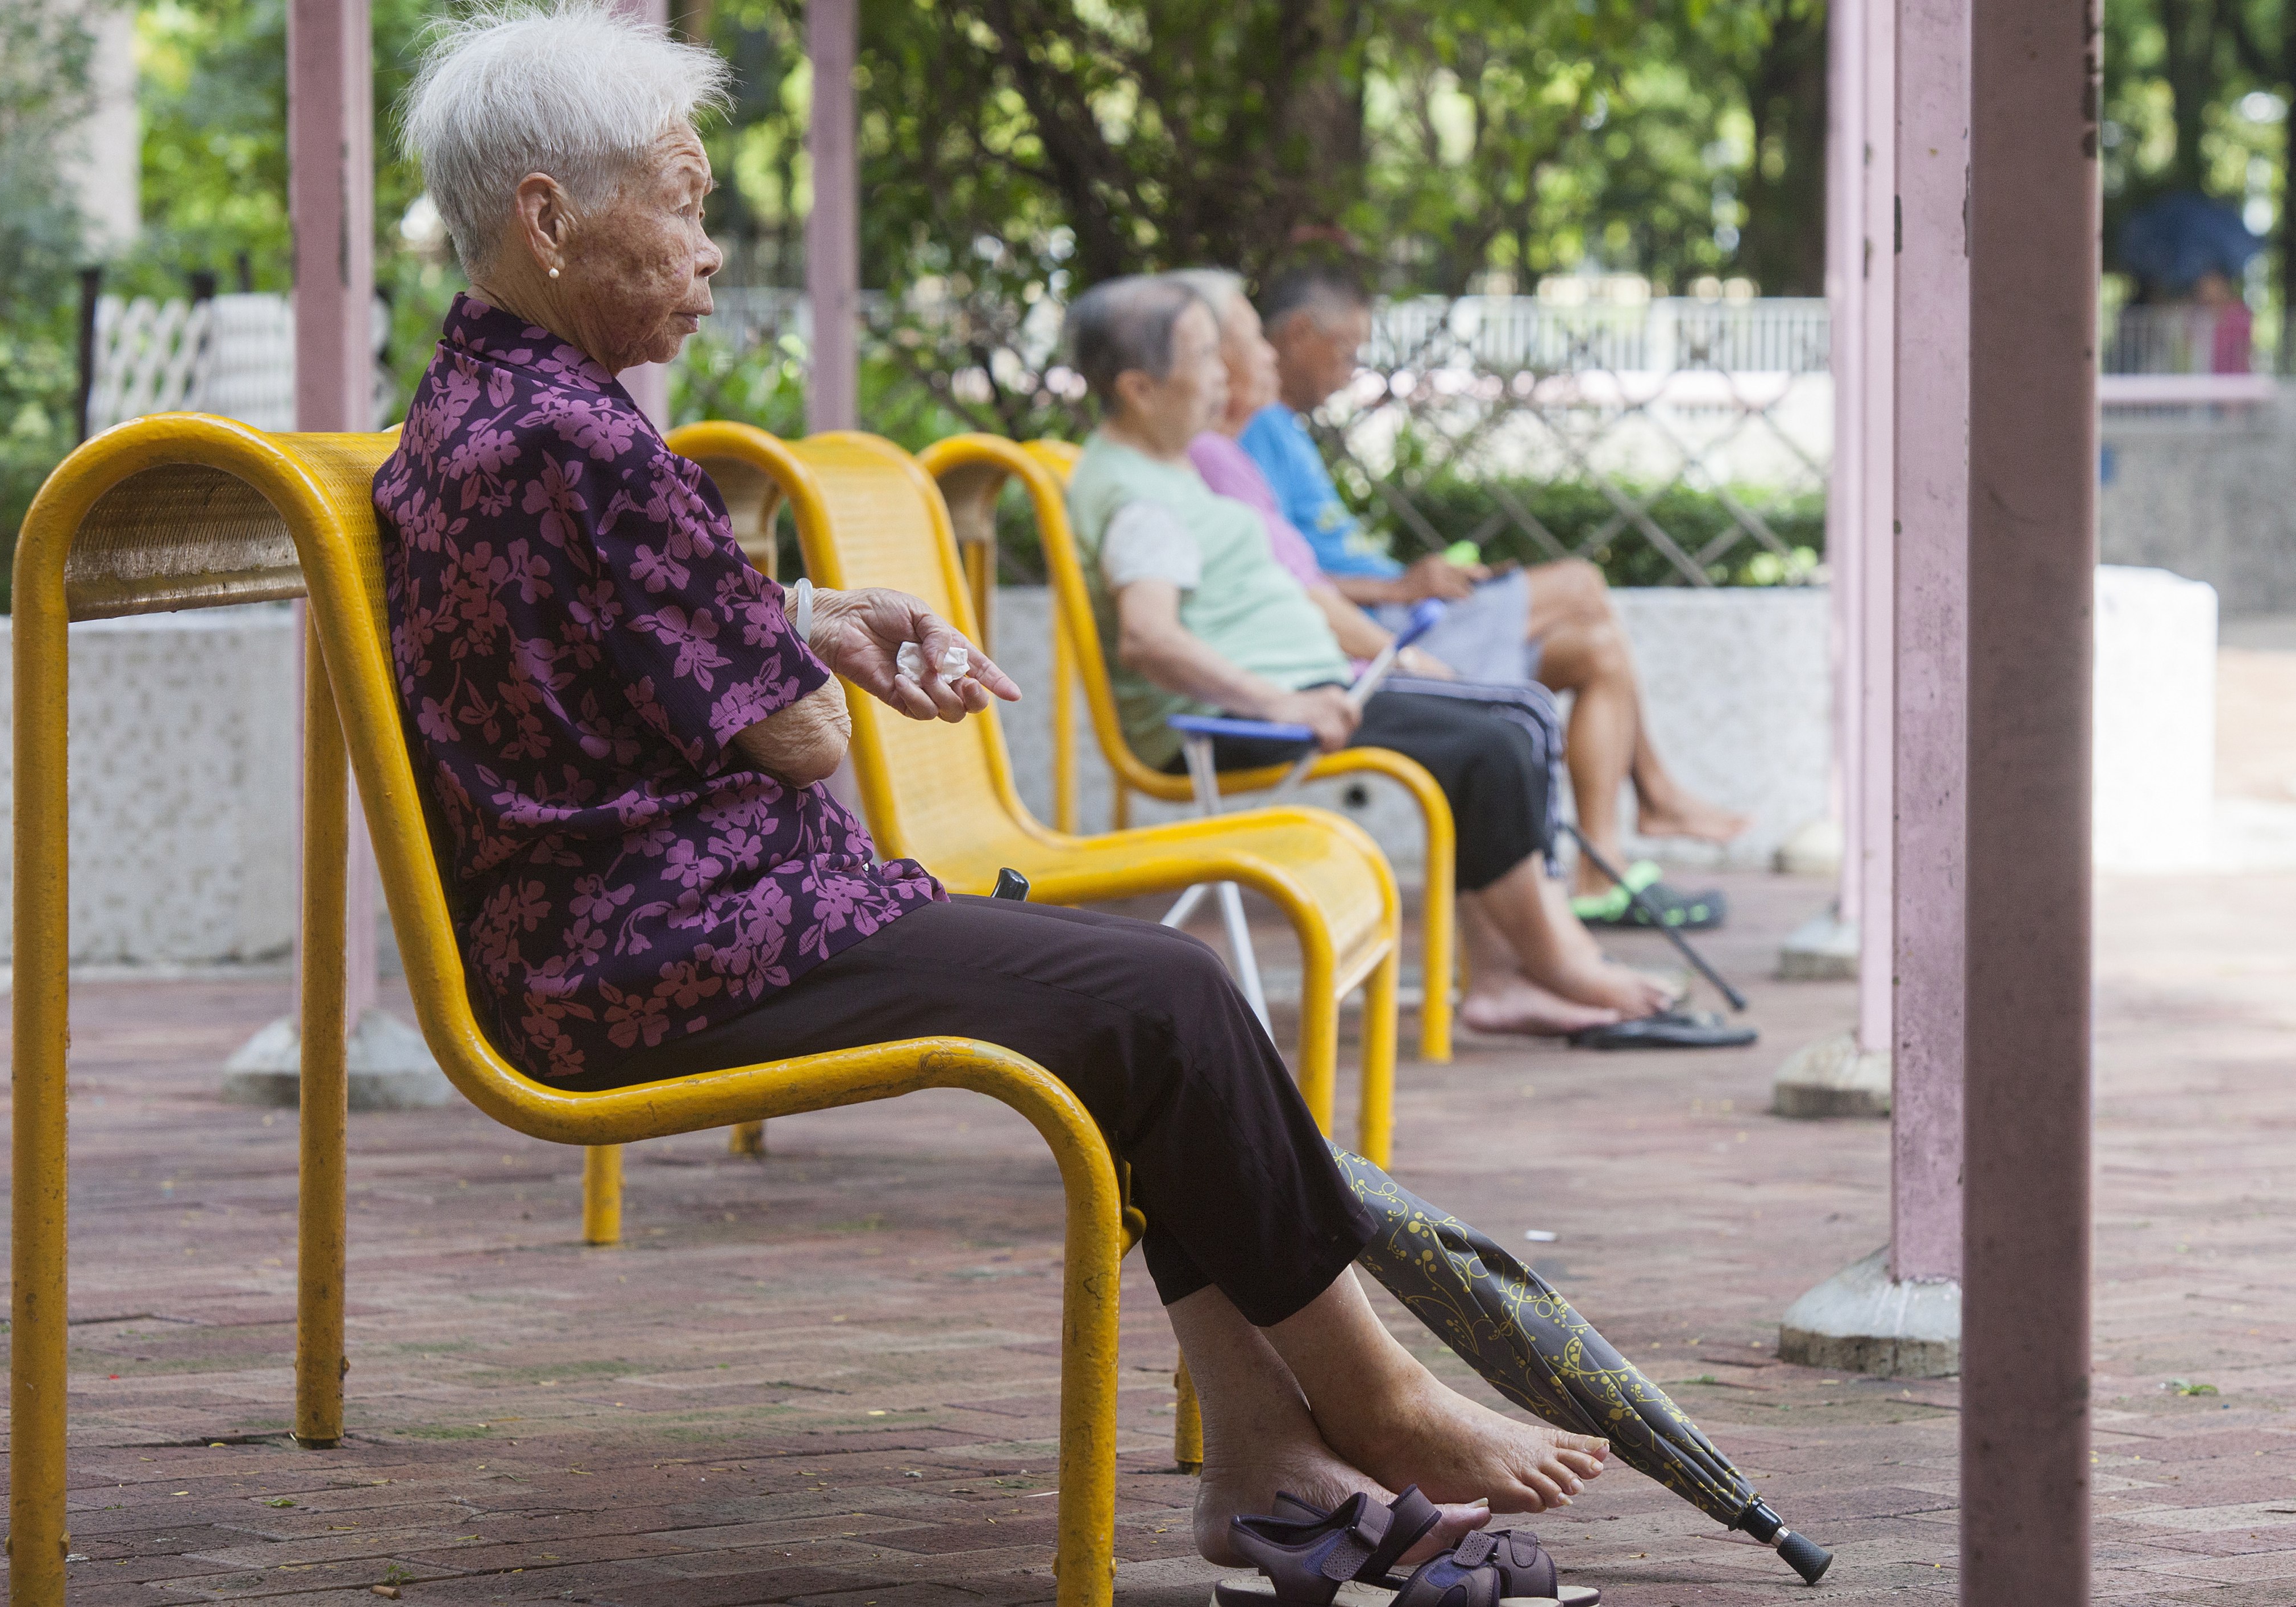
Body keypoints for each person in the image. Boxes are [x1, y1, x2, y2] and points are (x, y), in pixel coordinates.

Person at [377, 1, 1609, 1575]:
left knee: (1135, 1010)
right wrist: (792, 652)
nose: (704, 244)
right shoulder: (576, 443)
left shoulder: (487, 411)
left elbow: (636, 630)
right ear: (549, 220)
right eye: (681, 198)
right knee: (1164, 995)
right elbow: (802, 743)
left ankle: (1262, 1461)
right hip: (659, 952)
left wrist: (798, 611)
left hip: (643, 928)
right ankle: (1381, 1400)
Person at [1060, 273, 1673, 1037]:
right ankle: (1559, 962)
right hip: (1238, 723)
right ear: (1140, 388)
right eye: (1203, 354)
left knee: (1503, 724)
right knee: (1498, 734)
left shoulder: (1163, 464)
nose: (1223, 372)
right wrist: (1277, 701)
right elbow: (1147, 638)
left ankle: (1513, 976)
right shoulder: (1136, 496)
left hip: (1286, 695)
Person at [1243, 265, 1749, 925]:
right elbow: (1276, 579)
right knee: (1580, 584)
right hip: (1383, 632)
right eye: (1346, 349)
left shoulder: (1279, 428)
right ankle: (1654, 795)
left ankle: (1601, 875)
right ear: (1298, 335)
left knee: (1598, 651)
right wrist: (1397, 586)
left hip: (1399, 611)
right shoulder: (1245, 432)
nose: (1352, 369)